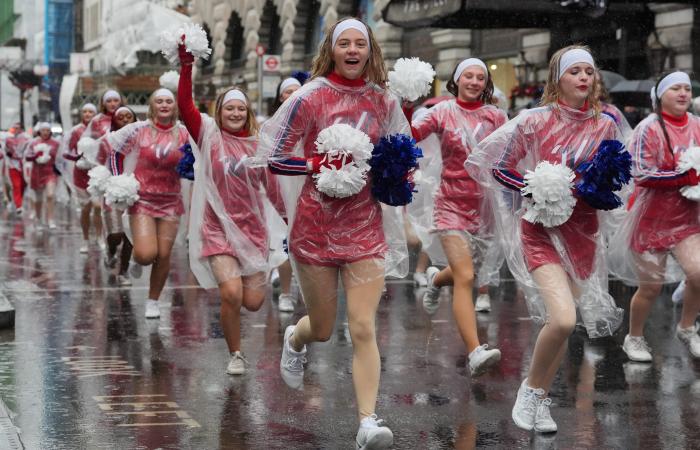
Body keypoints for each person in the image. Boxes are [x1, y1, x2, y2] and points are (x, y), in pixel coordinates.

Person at [259, 17, 409, 449]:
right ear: (332, 49)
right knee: (323, 328)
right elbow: (274, 155)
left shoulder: (383, 100)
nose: (351, 50)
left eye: (359, 44)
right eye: (343, 43)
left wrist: (396, 172)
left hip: (365, 227)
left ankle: (367, 422)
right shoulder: (309, 97)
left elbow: (403, 150)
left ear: (370, 51)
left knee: (363, 327)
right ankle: (296, 336)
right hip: (315, 229)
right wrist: (317, 166)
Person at [469, 45, 624, 433]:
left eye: (589, 71)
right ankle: (531, 390)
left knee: (559, 326)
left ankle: (540, 400)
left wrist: (594, 187)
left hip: (582, 234)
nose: (584, 78)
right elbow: (499, 166)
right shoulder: (533, 121)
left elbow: (610, 178)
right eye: (575, 72)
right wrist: (534, 187)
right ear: (558, 78)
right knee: (564, 320)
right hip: (540, 231)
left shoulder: (605, 123)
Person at [178, 45, 286, 375]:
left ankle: (239, 320)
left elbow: (272, 189)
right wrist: (187, 65)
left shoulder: (259, 145)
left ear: (248, 112)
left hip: (253, 231)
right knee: (231, 293)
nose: (236, 113)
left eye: (241, 108)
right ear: (220, 111)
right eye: (230, 108)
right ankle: (236, 353)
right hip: (217, 229)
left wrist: (290, 222)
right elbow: (185, 108)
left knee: (252, 302)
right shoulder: (208, 135)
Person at [409, 57, 506, 377]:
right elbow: (409, 133)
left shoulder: (496, 116)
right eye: (469, 76)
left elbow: (512, 152)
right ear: (456, 80)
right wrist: (408, 103)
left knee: (467, 272)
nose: (475, 82)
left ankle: (437, 278)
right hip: (449, 204)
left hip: (484, 208)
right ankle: (475, 350)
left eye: (481, 77)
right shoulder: (442, 111)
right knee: (466, 277)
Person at [611, 71, 700, 362]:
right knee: (650, 287)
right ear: (660, 95)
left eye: (687, 88)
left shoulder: (697, 125)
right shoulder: (647, 128)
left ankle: (687, 327)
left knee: (699, 274)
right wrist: (681, 177)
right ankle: (634, 337)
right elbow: (640, 173)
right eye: (676, 88)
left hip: (686, 219)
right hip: (650, 220)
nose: (683, 93)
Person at [106, 88, 189, 319]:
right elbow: (114, 152)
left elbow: (199, 157)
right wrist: (119, 179)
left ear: (174, 106)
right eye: (159, 101)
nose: (164, 105)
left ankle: (153, 300)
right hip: (143, 199)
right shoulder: (138, 130)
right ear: (152, 106)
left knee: (163, 254)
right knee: (145, 255)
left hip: (172, 201)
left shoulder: (184, 133)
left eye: (169, 101)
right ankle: (135, 256)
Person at [66, 97, 121, 252]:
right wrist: (77, 158)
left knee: (98, 206)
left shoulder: (100, 128)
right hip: (80, 175)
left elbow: (105, 147)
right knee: (85, 209)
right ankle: (85, 239)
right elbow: (67, 151)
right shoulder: (76, 131)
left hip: (96, 173)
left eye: (91, 111)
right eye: (85, 111)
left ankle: (99, 237)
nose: (88, 114)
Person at [271, 76, 303, 312]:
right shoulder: (271, 126)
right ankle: (285, 293)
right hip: (279, 193)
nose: (292, 95)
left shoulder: (312, 119)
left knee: (303, 245)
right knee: (284, 244)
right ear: (280, 97)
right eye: (287, 91)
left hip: (306, 191)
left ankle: (304, 288)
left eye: (297, 91)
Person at [99, 106, 138, 286]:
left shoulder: (142, 137)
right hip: (114, 190)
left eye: (128, 116)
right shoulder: (107, 139)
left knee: (129, 235)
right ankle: (111, 249)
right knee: (116, 233)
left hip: (136, 190)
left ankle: (123, 271)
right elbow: (98, 160)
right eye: (120, 117)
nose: (124, 119)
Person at [23, 122, 60, 228]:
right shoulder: (33, 143)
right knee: (38, 199)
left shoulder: (56, 143)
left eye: (47, 130)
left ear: (50, 131)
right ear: (39, 131)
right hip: (37, 173)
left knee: (50, 195)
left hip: (50, 173)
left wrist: (60, 170)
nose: (45, 132)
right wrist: (35, 156)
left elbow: (60, 158)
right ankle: (39, 219)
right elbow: (27, 156)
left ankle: (50, 219)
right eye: (43, 130)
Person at [4, 123, 29, 215]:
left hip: (24, 165)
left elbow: (29, 150)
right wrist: (9, 154)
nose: (16, 130)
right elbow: (5, 150)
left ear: (21, 129)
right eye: (14, 128)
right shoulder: (8, 139)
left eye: (18, 128)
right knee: (16, 185)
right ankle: (19, 206)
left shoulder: (26, 139)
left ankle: (19, 200)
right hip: (13, 165)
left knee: (23, 184)